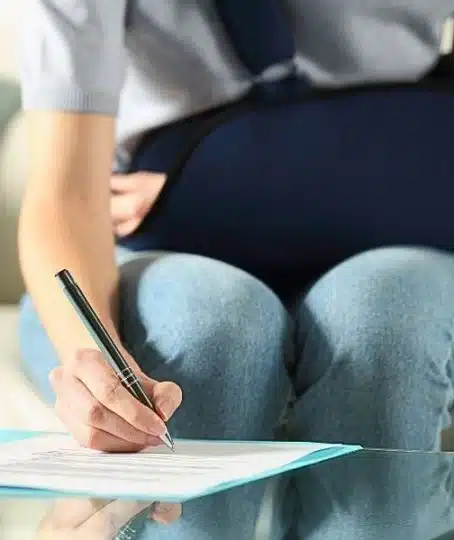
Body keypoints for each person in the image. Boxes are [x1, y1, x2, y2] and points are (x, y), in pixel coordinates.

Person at [17, 0, 454, 456]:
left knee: (388, 323)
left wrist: (230, 185)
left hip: (396, 230)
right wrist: (88, 357)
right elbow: (66, 193)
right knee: (209, 328)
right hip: (163, 249)